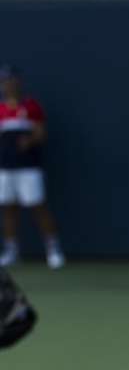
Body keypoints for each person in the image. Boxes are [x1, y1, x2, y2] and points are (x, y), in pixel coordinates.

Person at [0, 66, 64, 270]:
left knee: (38, 206)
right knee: (8, 208)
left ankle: (53, 250)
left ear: (18, 83)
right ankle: (11, 251)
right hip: (5, 168)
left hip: (29, 168)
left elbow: (41, 134)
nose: (9, 84)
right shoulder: (1, 109)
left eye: (12, 80)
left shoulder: (31, 107)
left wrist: (30, 140)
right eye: (5, 81)